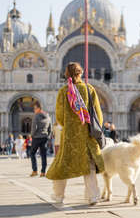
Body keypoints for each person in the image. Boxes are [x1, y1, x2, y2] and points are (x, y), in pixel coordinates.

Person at [46, 62, 105, 205]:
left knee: (62, 167)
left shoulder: (63, 91)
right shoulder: (89, 89)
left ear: (66, 74)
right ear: (81, 73)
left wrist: (70, 125)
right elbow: (98, 114)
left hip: (69, 137)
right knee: (89, 167)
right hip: (87, 136)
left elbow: (59, 116)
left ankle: (59, 196)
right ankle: (93, 197)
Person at [29, 101, 52, 177]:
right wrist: (47, 136)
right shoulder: (48, 116)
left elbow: (34, 127)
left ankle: (35, 170)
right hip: (44, 137)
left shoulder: (36, 116)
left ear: (38, 109)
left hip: (36, 137)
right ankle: (43, 172)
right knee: (43, 155)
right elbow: (50, 129)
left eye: (35, 108)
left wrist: (32, 135)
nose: (34, 110)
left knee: (32, 153)